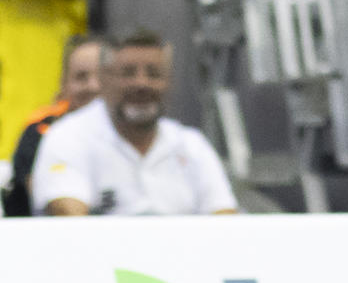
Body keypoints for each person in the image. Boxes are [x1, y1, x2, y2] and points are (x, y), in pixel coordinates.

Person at [32, 30, 238, 217]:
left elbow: (225, 222)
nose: (141, 84)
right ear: (104, 79)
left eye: (153, 74)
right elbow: (70, 224)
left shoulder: (191, 144)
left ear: (169, 82)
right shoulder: (68, 137)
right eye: (128, 73)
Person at [4, 34, 104, 217]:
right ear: (64, 84)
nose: (93, 86)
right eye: (81, 77)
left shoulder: (135, 132)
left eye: (103, 76)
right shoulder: (42, 129)